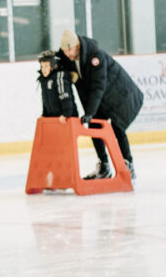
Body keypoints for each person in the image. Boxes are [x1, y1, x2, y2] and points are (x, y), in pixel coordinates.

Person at [56, 29, 144, 180]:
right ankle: (104, 166)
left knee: (118, 127)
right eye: (65, 51)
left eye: (69, 50)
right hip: (102, 98)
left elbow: (98, 86)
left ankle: (128, 165)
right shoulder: (68, 58)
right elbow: (57, 61)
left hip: (120, 95)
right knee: (95, 127)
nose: (67, 54)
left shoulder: (96, 56)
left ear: (77, 45)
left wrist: (89, 112)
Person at [36, 49, 77, 118]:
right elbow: (45, 98)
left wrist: (66, 114)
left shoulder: (60, 76)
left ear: (53, 66)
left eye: (46, 66)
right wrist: (45, 114)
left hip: (67, 119)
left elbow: (65, 97)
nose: (43, 69)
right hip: (53, 119)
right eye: (42, 66)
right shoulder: (44, 80)